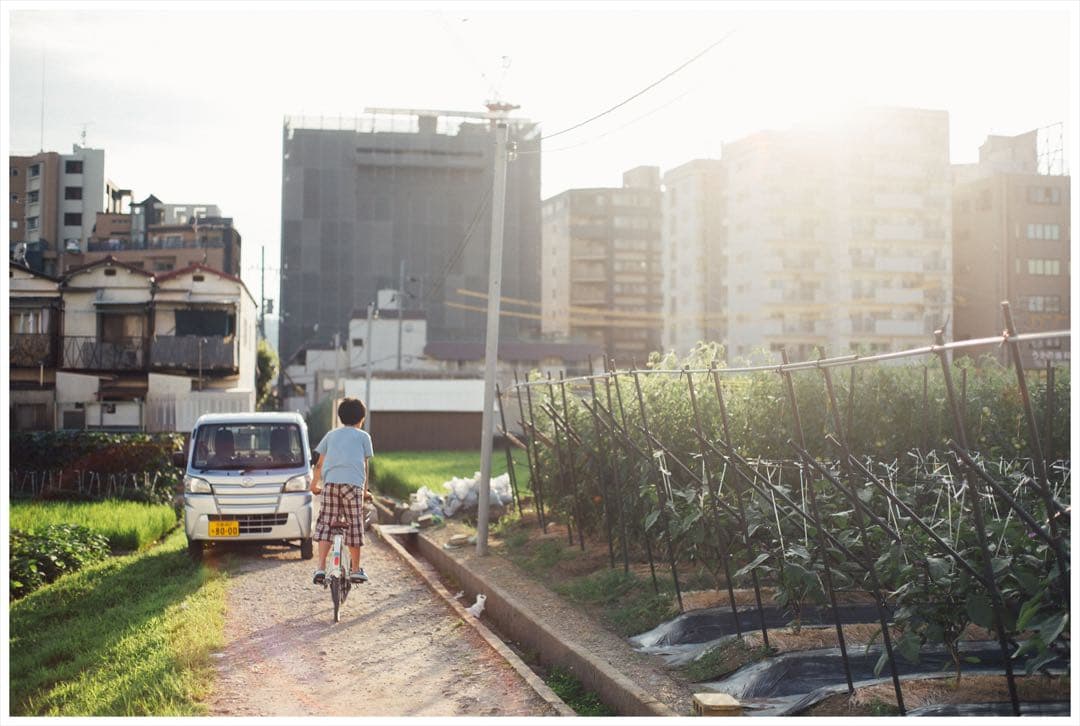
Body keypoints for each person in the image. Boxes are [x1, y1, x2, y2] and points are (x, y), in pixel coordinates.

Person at [310, 397, 374, 586]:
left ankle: (320, 568)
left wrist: (314, 484)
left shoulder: (331, 435)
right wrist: (364, 492)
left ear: (340, 417)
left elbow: (319, 463)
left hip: (331, 485)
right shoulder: (363, 436)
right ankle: (355, 570)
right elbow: (365, 466)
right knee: (354, 525)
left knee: (326, 523)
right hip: (353, 486)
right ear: (361, 418)